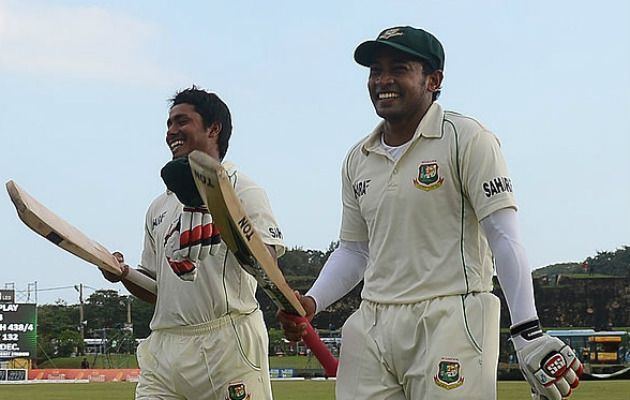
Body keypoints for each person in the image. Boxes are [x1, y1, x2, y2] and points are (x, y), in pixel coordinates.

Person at [278, 27, 583, 400]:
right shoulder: (358, 158)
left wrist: (527, 330)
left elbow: (503, 237)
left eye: (399, 68)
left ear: (433, 80)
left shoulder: (468, 138)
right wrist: (312, 302)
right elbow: (355, 251)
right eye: (375, 70)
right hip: (374, 319)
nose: (382, 80)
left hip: (452, 316)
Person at [102, 86, 284, 400]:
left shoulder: (242, 189)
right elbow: (158, 289)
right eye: (169, 124)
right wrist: (123, 273)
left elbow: (266, 263)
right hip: (165, 347)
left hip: (227, 341)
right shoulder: (159, 207)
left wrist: (225, 221)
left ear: (214, 128)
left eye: (182, 121)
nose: (172, 131)